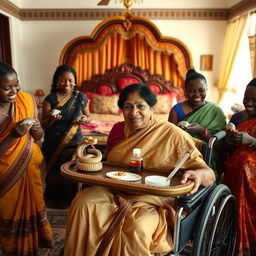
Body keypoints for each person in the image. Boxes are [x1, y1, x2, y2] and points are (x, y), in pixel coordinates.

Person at [63, 83, 216, 256]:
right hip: (113, 190)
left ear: (152, 108)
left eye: (140, 106)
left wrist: (196, 173)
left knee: (137, 227)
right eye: (128, 107)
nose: (134, 113)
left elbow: (209, 175)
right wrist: (86, 158)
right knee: (83, 203)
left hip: (153, 200)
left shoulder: (172, 134)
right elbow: (108, 162)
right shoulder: (118, 130)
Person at [0, 61, 53, 255]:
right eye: (7, 88)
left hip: (30, 168)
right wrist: (13, 135)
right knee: (9, 211)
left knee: (35, 205)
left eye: (17, 85)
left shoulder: (26, 100)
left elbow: (37, 137)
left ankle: (33, 245)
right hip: (6, 175)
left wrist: (38, 129)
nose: (14, 91)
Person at [41, 64, 91, 209]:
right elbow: (43, 124)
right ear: (56, 81)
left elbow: (89, 117)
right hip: (53, 143)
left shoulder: (80, 97)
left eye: (70, 80)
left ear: (75, 81)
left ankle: (72, 202)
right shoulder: (49, 99)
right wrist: (51, 119)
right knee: (55, 173)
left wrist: (84, 120)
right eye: (63, 80)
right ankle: (53, 201)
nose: (67, 84)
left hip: (74, 141)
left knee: (72, 170)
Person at [168, 69, 226, 176]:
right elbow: (169, 139)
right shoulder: (176, 110)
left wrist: (202, 131)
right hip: (181, 152)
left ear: (206, 89)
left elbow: (221, 145)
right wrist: (179, 130)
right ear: (185, 91)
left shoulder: (215, 111)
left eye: (201, 90)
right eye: (192, 91)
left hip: (207, 155)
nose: (197, 95)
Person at [223, 78, 256, 256]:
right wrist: (229, 137)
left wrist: (251, 141)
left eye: (254, 100)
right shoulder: (237, 117)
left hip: (251, 170)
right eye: (246, 98)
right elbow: (228, 149)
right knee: (240, 163)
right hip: (236, 167)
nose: (249, 103)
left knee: (244, 164)